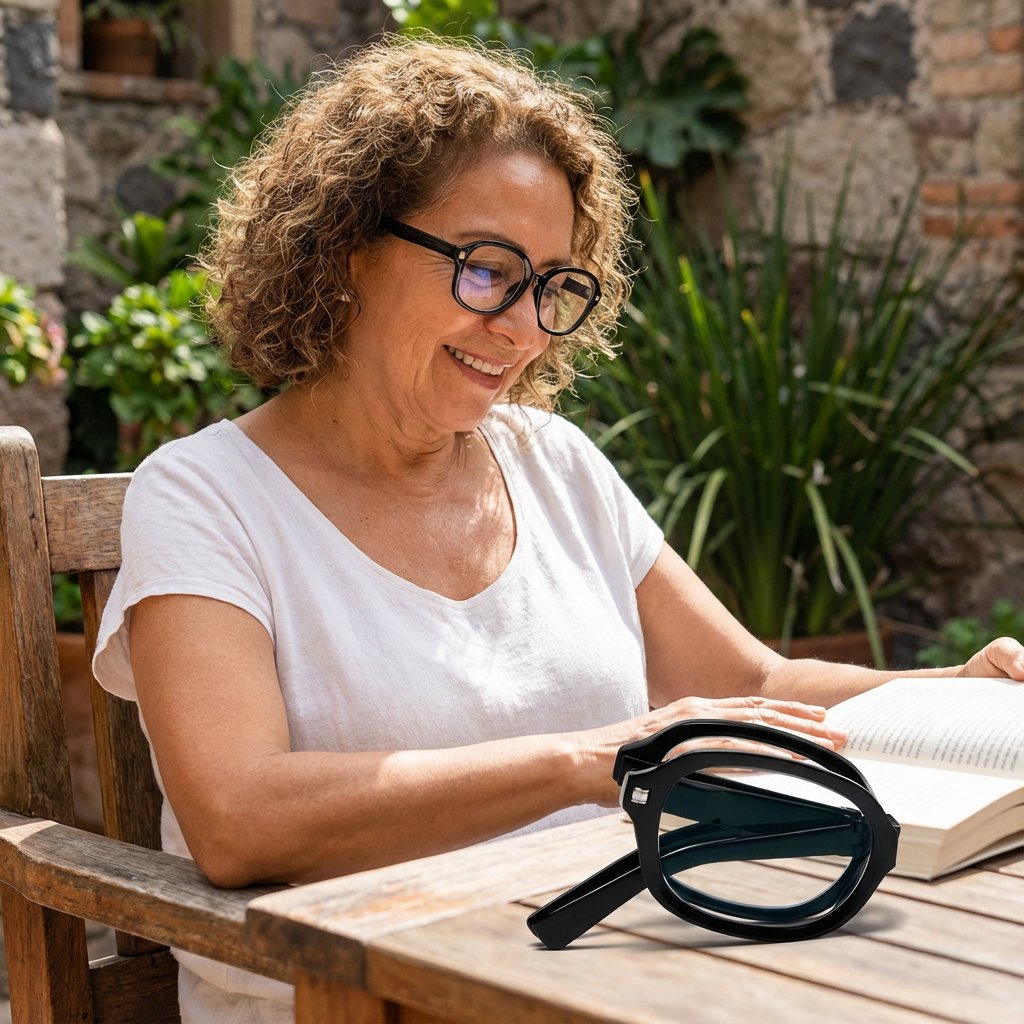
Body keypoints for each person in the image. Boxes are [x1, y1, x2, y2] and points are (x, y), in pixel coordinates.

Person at [93, 33, 1024, 1024]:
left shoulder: (550, 461)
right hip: (354, 998)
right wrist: (589, 759)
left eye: (552, 286)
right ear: (348, 246)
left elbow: (747, 685)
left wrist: (952, 691)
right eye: (487, 269)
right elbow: (238, 818)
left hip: (591, 969)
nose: (526, 328)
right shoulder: (204, 495)